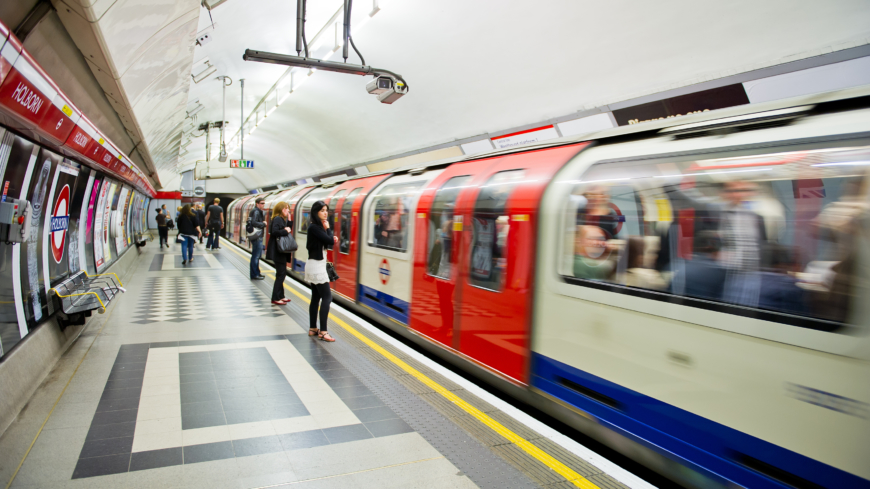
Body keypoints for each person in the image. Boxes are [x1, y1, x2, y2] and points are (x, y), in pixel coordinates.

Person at [306, 200, 339, 342]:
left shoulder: (316, 228)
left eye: (326, 210)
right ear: (316, 212)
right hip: (317, 266)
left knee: (315, 297)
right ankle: (324, 332)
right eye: (322, 210)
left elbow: (326, 242)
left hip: (314, 265)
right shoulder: (314, 228)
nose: (325, 213)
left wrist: (328, 235)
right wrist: (329, 229)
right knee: (327, 297)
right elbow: (330, 241)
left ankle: (313, 328)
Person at [266, 202, 293, 305]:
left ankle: (281, 296)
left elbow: (287, 230)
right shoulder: (277, 219)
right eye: (287, 209)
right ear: (282, 209)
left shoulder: (281, 219)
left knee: (281, 273)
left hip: (280, 251)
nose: (288, 210)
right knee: (281, 274)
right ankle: (275, 297)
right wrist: (285, 231)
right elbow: (274, 232)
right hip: (278, 251)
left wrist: (289, 222)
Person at [249, 197, 267, 280]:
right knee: (256, 256)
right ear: (257, 204)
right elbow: (254, 223)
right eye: (262, 203)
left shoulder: (256, 211)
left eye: (264, 203)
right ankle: (255, 274)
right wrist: (263, 224)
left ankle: (256, 273)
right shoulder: (256, 211)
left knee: (256, 255)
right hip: (257, 236)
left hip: (257, 235)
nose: (263, 205)